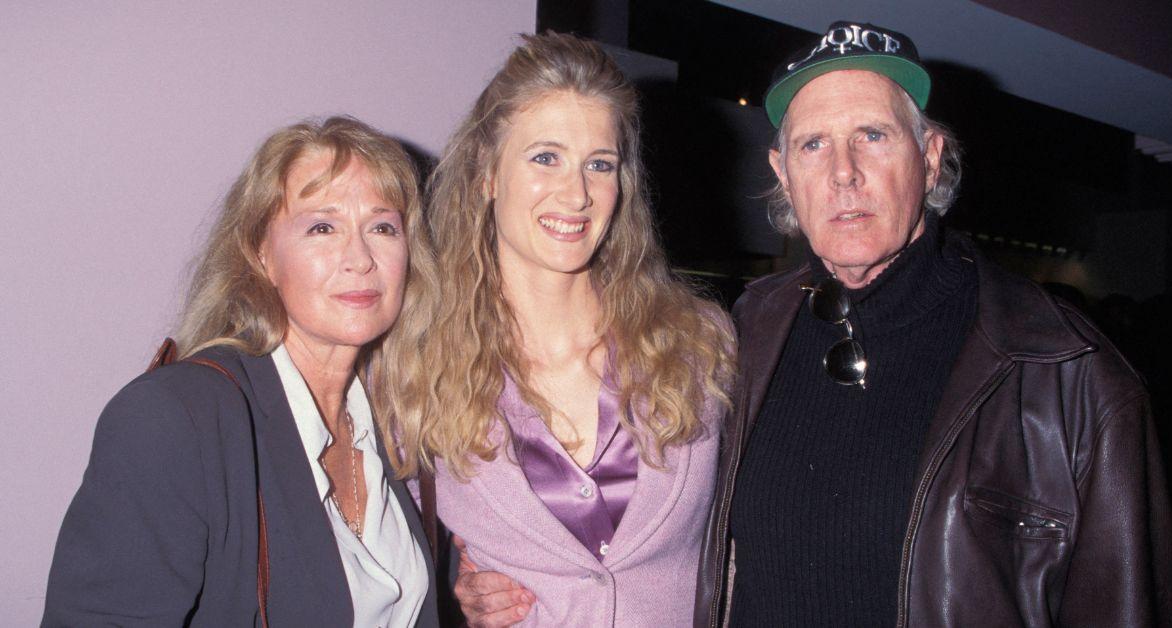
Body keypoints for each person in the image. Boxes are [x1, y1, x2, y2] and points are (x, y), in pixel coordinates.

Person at [694, 20, 1172, 627]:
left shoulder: (1068, 370)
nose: (843, 171)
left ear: (929, 159)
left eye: (873, 135)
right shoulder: (746, 331)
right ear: (782, 172)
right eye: (813, 144)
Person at [375, 32, 735, 627]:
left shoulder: (701, 343)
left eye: (600, 164)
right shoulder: (418, 367)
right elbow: (394, 564)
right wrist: (458, 583)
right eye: (546, 158)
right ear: (487, 173)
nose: (577, 193)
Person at [43, 117, 438, 627]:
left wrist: (463, 589)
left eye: (383, 227)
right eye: (322, 227)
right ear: (261, 255)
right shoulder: (173, 419)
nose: (360, 258)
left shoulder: (394, 414)